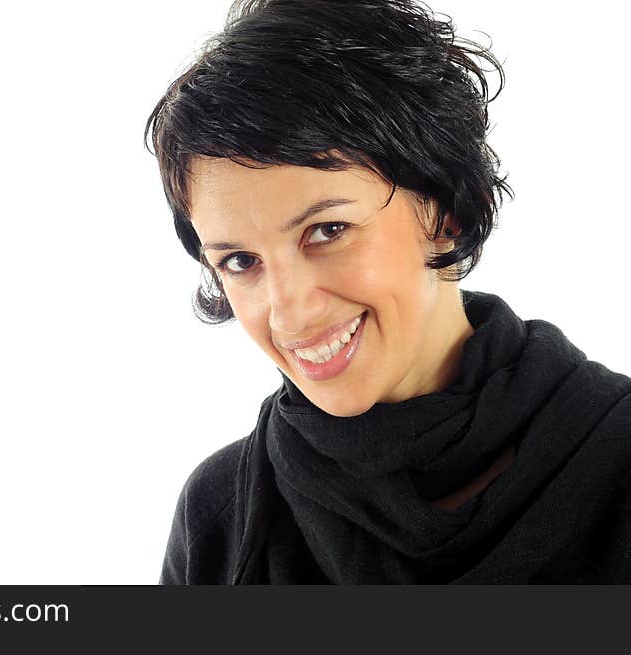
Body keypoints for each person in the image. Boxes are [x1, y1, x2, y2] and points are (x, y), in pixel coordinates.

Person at [144, 0, 631, 583]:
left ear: (445, 209)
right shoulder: (222, 515)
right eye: (241, 261)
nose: (289, 310)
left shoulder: (617, 459)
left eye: (327, 231)